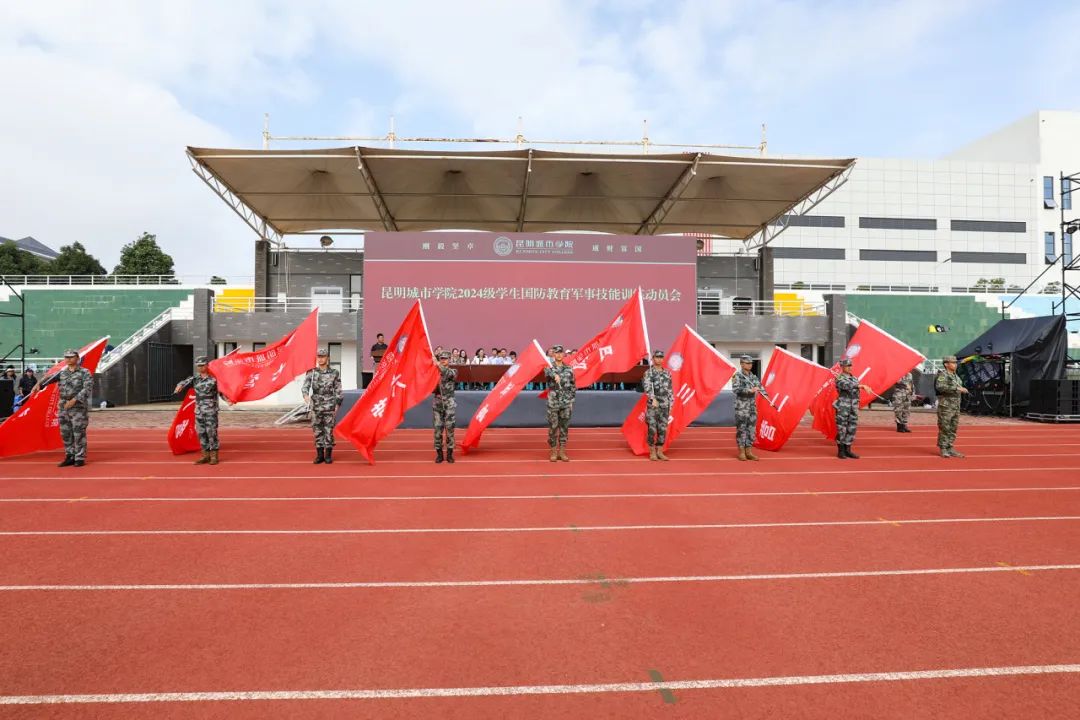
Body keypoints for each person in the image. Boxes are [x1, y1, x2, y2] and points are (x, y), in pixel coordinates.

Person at [36, 349, 93, 467]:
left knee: (78, 432)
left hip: (78, 406)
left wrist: (74, 400)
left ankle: (80, 457)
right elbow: (47, 379)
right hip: (63, 406)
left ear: (77, 358)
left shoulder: (84, 372)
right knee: (65, 432)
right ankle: (70, 455)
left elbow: (87, 388)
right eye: (66, 357)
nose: (68, 359)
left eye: (71, 357)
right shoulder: (61, 373)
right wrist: (38, 384)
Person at [174, 356, 226, 465]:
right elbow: (184, 382)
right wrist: (179, 386)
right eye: (198, 366)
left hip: (210, 410)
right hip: (199, 410)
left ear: (207, 366)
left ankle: (214, 456)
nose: (200, 368)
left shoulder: (214, 379)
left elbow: (222, 392)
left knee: (211, 432)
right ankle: (205, 455)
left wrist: (229, 399)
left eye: (202, 365)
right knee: (201, 433)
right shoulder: (195, 379)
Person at [302, 348, 343, 465]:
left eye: (323, 357)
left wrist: (338, 403)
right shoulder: (312, 373)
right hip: (316, 406)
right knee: (317, 431)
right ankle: (320, 455)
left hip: (329, 405)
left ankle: (328, 455)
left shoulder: (334, 373)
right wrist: (306, 396)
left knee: (328, 430)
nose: (320, 359)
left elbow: (338, 389)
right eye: (319, 357)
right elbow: (305, 386)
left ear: (327, 358)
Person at [731, 355, 770, 461]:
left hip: (752, 407)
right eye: (747, 363)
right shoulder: (737, 376)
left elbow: (760, 387)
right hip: (742, 407)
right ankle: (741, 452)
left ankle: (749, 451)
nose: (750, 365)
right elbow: (736, 389)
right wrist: (749, 390)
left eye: (751, 363)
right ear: (742, 364)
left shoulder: (753, 377)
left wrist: (767, 396)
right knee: (742, 429)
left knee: (751, 430)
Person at [834, 358, 873, 459]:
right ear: (842, 367)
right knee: (842, 428)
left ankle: (848, 449)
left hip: (853, 407)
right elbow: (845, 386)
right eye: (847, 366)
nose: (849, 367)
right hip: (843, 407)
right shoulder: (839, 377)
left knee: (852, 428)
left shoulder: (855, 378)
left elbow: (856, 392)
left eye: (850, 365)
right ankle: (841, 451)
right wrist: (861, 386)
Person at [544, 345, 576, 462]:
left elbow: (573, 386)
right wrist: (555, 375)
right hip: (553, 402)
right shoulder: (549, 367)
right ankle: (553, 450)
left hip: (566, 402)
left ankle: (562, 451)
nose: (558, 355)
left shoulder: (569, 368)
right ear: (553, 354)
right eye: (556, 353)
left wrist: (571, 401)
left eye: (560, 353)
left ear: (563, 354)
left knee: (564, 427)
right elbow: (547, 373)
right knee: (553, 427)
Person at [642, 349, 673, 461]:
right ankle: (652, 451)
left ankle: (660, 451)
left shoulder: (667, 373)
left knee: (662, 429)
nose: (659, 359)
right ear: (653, 358)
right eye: (657, 357)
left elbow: (670, 389)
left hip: (665, 404)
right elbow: (647, 387)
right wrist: (652, 398)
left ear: (663, 359)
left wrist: (671, 403)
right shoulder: (649, 373)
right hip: (653, 404)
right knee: (652, 428)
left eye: (661, 357)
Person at [935, 355, 968, 458]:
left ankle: (950, 447)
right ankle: (943, 448)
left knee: (953, 428)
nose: (955, 364)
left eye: (955, 362)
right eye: (953, 363)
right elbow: (940, 387)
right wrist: (957, 389)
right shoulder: (943, 375)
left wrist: (961, 389)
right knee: (945, 427)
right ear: (946, 364)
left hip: (955, 406)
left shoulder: (955, 376)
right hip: (946, 406)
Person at [432, 350, 458, 463]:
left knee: (450, 429)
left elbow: (446, 373)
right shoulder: (435, 373)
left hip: (449, 404)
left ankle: (450, 454)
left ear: (449, 360)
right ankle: (439, 454)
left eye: (445, 358)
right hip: (437, 403)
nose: (443, 360)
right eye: (441, 358)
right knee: (438, 429)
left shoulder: (453, 371)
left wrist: (437, 363)